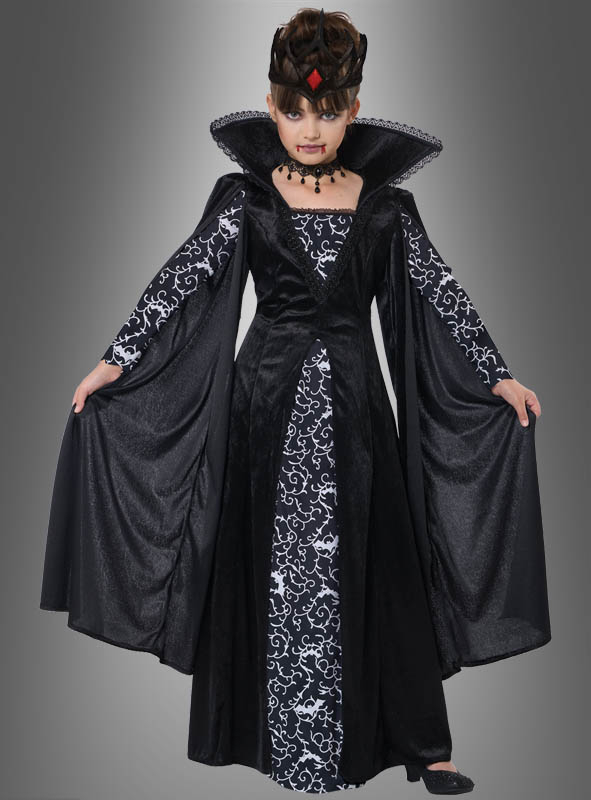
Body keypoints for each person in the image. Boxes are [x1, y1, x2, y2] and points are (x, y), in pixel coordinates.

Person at [40, 7, 551, 796]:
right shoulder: (244, 198)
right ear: (271, 106)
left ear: (354, 109)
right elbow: (183, 281)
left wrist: (496, 376)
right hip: (263, 414)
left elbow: (438, 292)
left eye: (328, 112)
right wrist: (115, 362)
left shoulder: (386, 208)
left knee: (383, 568)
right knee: (268, 570)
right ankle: (272, 737)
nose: (310, 129)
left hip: (357, 414)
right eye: (295, 110)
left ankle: (424, 746)